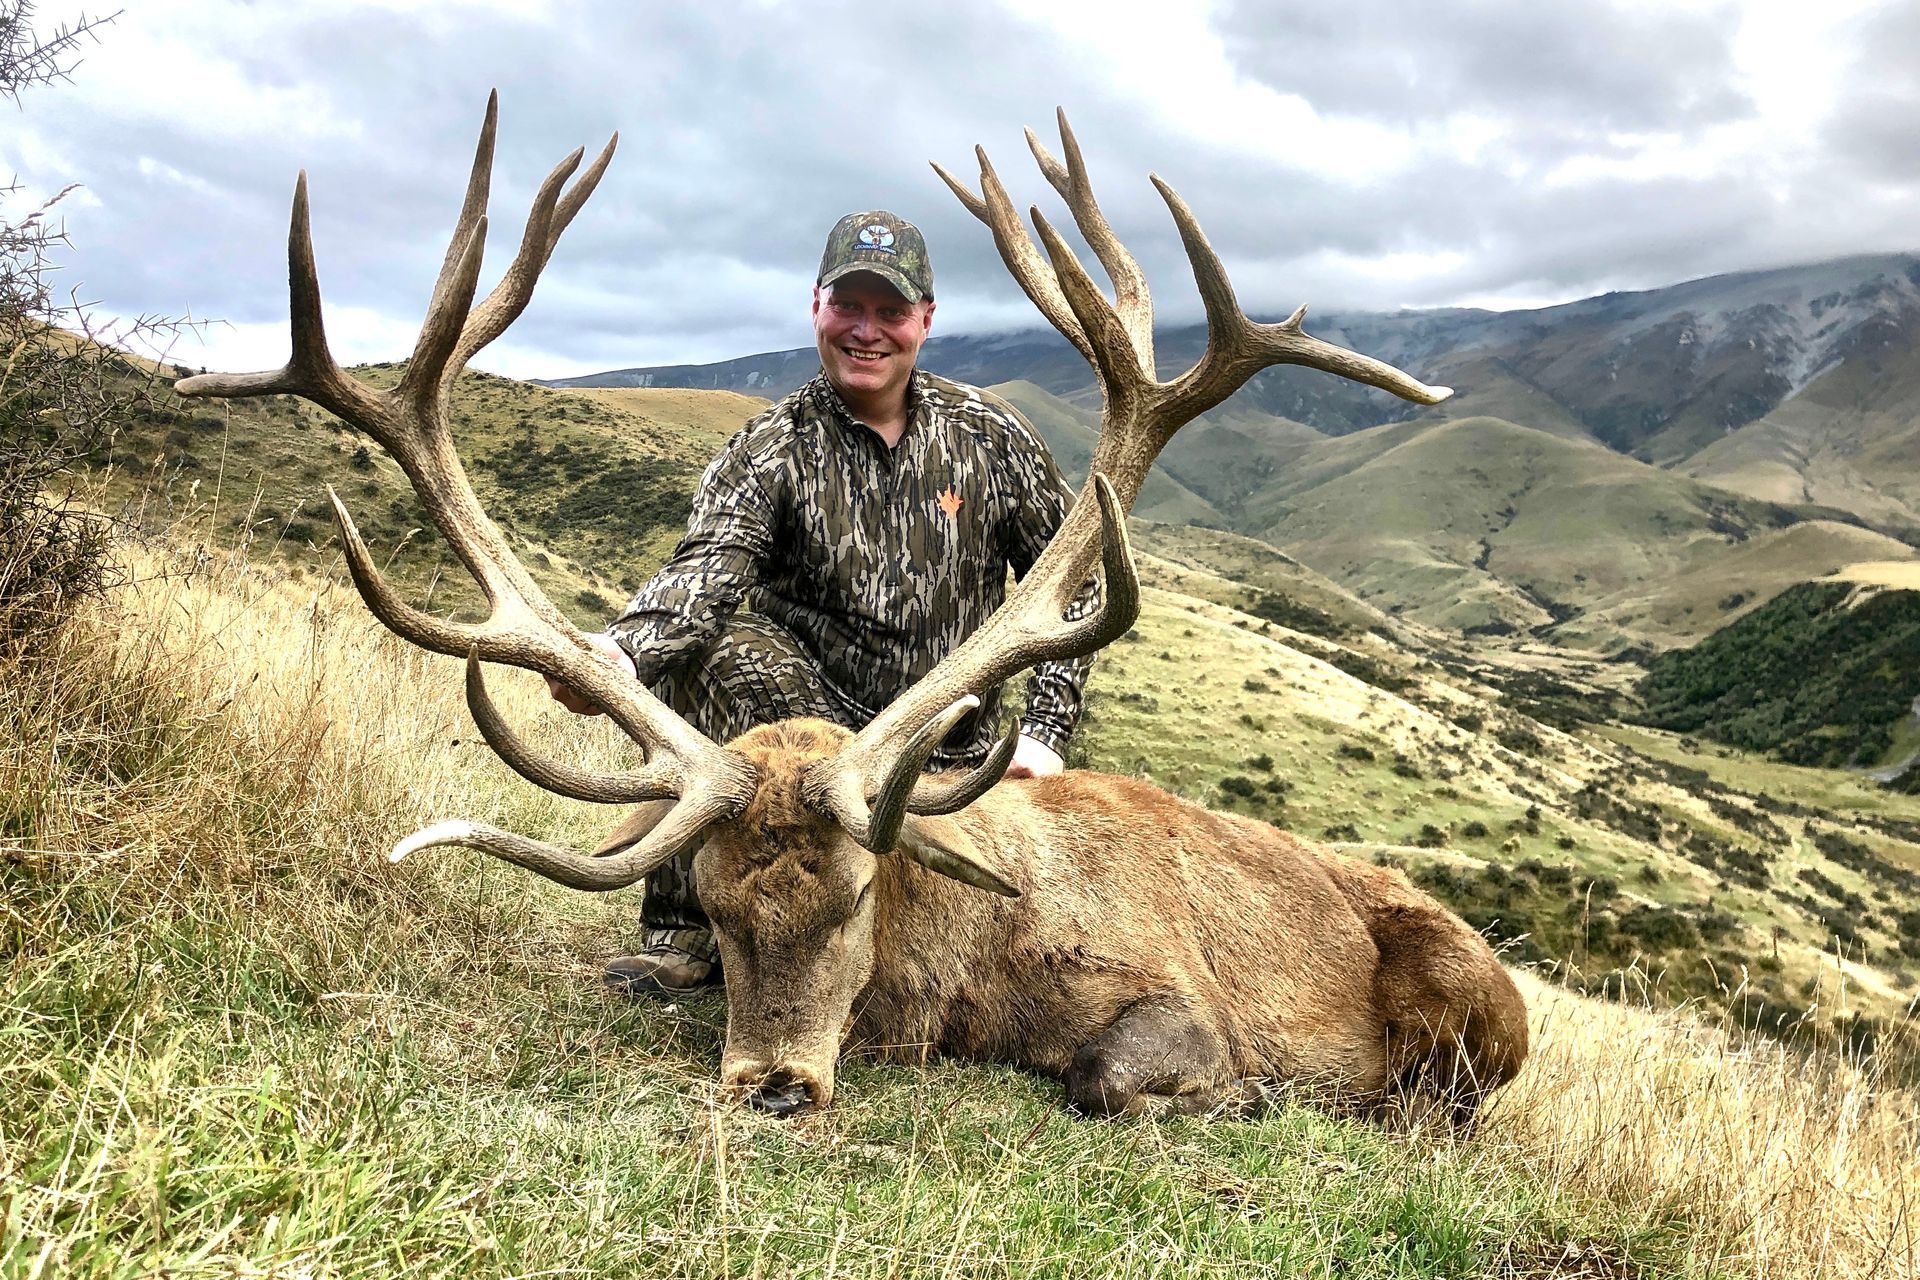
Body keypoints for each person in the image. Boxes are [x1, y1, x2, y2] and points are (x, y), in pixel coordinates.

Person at [549, 209, 1097, 995]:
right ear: (817, 306)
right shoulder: (772, 447)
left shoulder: (992, 439)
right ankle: (692, 932)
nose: (866, 331)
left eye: (890, 311)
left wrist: (1042, 736)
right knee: (715, 653)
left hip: (945, 753)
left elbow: (1074, 585)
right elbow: (704, 573)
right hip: (807, 734)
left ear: (925, 320)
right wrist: (623, 653)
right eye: (849, 306)